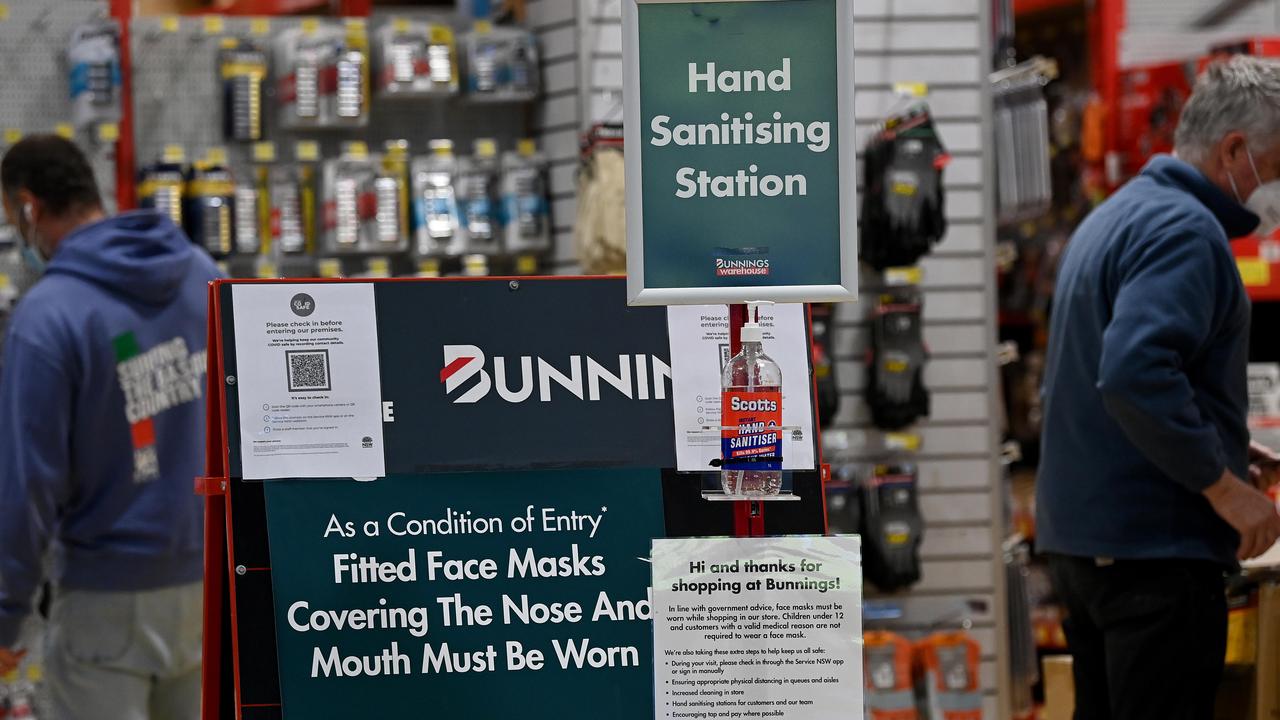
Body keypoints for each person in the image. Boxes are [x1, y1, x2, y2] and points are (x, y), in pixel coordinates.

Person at [1038, 56, 1280, 720]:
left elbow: (1097, 378)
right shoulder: (1186, 231)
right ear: (1236, 150)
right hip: (1154, 557)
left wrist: (1227, 444)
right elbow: (1134, 371)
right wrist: (1225, 489)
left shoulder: (1117, 216)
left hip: (1089, 548)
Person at [0, 135, 218, 719]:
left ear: (28, 208)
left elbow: (26, 488)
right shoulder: (202, 274)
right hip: (210, 584)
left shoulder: (48, 317)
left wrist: (6, 616)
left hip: (107, 598)